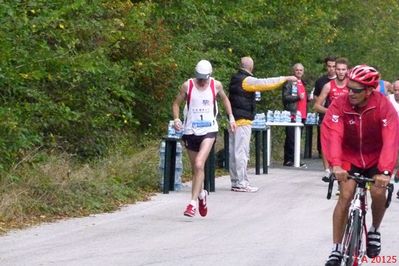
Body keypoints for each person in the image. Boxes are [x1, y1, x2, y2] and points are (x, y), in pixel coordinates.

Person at [321, 65, 399, 266]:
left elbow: (391, 139)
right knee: (345, 196)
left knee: (378, 192)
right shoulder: (339, 104)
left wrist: (385, 171)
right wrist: (336, 165)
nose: (351, 93)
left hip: (376, 157)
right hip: (349, 156)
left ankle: (374, 229)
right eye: (349, 88)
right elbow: (333, 134)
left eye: (356, 90)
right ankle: (336, 248)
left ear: (369, 90)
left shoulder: (383, 106)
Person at [172, 59, 237, 217]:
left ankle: (192, 204)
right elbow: (176, 104)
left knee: (200, 163)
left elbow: (225, 99)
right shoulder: (187, 85)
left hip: (209, 129)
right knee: (196, 168)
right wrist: (176, 119)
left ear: (209, 76)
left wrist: (231, 117)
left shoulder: (216, 85)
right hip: (190, 131)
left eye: (204, 79)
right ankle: (202, 195)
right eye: (199, 78)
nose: (202, 82)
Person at [228, 56, 297, 192]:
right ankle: (241, 183)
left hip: (234, 120)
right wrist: (285, 78)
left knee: (234, 153)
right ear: (251, 67)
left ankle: (236, 181)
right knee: (241, 153)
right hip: (243, 121)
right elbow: (265, 83)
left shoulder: (235, 78)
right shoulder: (246, 80)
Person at [314, 57, 349, 182]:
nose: (340, 72)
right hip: (333, 122)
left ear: (347, 70)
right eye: (338, 69)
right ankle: (328, 170)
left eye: (342, 69)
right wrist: (331, 111)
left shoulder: (351, 85)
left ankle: (344, 176)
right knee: (329, 147)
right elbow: (317, 106)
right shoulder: (328, 86)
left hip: (347, 122)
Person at [313, 56, 336, 173]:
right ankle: (327, 170)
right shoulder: (321, 81)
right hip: (325, 115)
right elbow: (316, 98)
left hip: (340, 118)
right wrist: (325, 107)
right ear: (326, 67)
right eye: (329, 66)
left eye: (334, 66)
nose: (331, 69)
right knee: (325, 143)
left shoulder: (344, 81)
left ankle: (337, 166)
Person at [282, 63, 307, 167]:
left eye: (301, 70)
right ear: (293, 71)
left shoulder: (303, 83)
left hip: (302, 114)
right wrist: (297, 97)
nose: (299, 72)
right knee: (291, 138)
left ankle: (296, 159)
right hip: (292, 113)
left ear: (303, 72)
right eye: (297, 70)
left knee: (298, 138)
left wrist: (308, 99)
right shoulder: (289, 82)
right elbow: (285, 97)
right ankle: (288, 159)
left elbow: (303, 98)